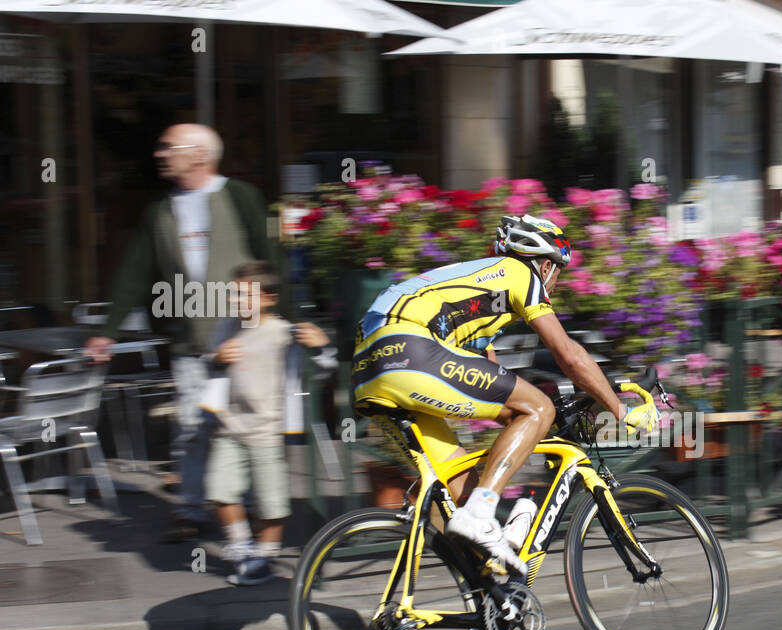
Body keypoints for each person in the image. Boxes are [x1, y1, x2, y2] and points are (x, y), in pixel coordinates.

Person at [351, 214, 660, 576]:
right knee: (536, 409)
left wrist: (541, 417)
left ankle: (457, 600)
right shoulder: (519, 274)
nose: (555, 282)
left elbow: (496, 392)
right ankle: (483, 513)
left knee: (459, 489)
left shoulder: (478, 295)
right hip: (408, 347)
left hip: (370, 369)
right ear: (545, 265)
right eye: (558, 272)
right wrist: (619, 410)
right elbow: (569, 355)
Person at [84, 124, 291, 543]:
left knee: (250, 426)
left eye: (167, 147)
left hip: (248, 340)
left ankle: (251, 510)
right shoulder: (159, 210)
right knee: (193, 428)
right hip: (192, 339)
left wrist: (283, 323)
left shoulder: (241, 196)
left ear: (199, 154)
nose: (159, 154)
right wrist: (107, 330)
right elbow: (136, 273)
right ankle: (192, 511)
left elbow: (271, 259)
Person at [205, 261, 335, 586]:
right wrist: (216, 358)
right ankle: (240, 547)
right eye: (234, 295)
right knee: (219, 489)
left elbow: (323, 369)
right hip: (229, 425)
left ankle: (264, 556)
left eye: (246, 295)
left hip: (269, 430)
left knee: (271, 501)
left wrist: (323, 345)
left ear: (269, 297)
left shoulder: (283, 333)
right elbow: (208, 363)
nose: (237, 302)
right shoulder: (226, 327)